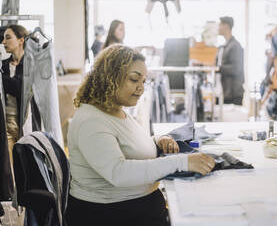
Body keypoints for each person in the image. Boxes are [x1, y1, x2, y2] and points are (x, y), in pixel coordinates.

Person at [66, 45, 215, 226]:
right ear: (110, 78)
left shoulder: (114, 110)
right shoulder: (91, 121)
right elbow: (118, 172)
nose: (141, 88)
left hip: (133, 208)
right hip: (109, 215)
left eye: (144, 81)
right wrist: (182, 162)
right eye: (134, 79)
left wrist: (158, 141)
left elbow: (128, 145)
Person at [1, 24, 37, 163]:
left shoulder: (31, 65)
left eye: (8, 38)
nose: (4, 42)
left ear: (21, 40)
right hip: (6, 123)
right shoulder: (3, 66)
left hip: (26, 122)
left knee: (26, 164)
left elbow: (19, 87)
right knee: (8, 168)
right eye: (3, 38)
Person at [217, 16, 244, 105]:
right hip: (225, 92)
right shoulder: (224, 46)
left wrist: (218, 68)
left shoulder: (235, 46)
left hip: (233, 94)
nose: (218, 27)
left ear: (226, 26)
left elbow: (236, 69)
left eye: (220, 25)